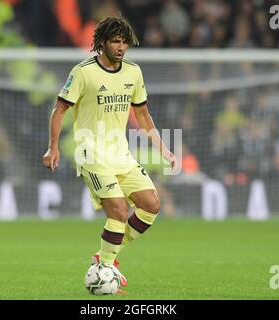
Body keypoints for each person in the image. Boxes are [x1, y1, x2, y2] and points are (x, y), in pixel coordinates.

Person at [42, 15, 175, 293]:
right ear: (101, 42)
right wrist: (53, 147)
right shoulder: (83, 72)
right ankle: (105, 268)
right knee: (118, 210)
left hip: (120, 152)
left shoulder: (133, 72)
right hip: (91, 153)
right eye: (115, 41)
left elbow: (142, 113)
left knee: (151, 205)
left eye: (125, 42)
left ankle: (104, 260)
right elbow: (60, 109)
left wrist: (161, 147)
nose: (121, 47)